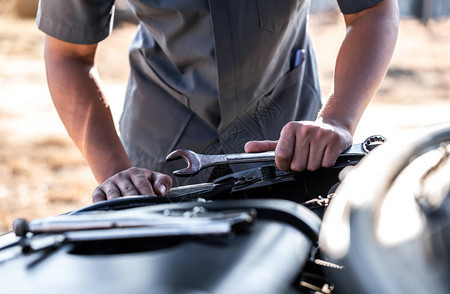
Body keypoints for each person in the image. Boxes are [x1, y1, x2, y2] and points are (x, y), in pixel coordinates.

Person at [36, 0, 399, 202]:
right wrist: (116, 172)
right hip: (159, 154)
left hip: (288, 144)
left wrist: (337, 119)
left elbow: (372, 10)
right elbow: (69, 54)